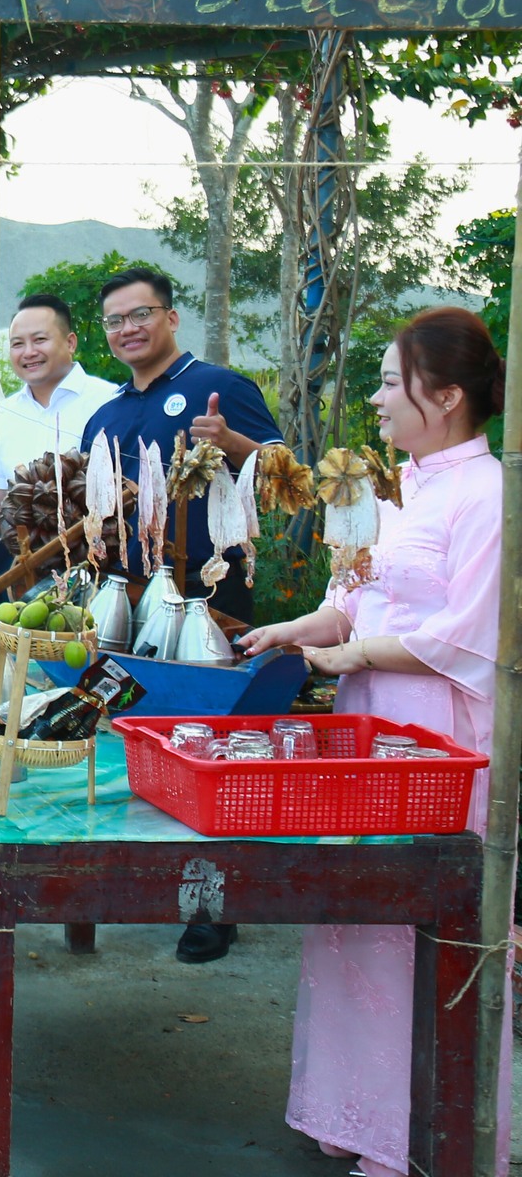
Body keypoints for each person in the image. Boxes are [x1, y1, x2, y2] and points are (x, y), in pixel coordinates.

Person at [240, 308, 510, 1177]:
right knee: (356, 912)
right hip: (367, 729)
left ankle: (425, 1133)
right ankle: (354, 1111)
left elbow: (471, 637)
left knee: (424, 922)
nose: (379, 397)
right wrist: (294, 630)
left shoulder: (489, 494)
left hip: (436, 740)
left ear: (448, 395)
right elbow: (352, 599)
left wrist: (352, 653)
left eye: (393, 381)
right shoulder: (397, 489)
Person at [78, 266, 282, 622]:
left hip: (207, 592)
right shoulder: (104, 417)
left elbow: (286, 473)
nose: (128, 328)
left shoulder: (222, 387)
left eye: (141, 314)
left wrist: (230, 441)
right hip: (119, 596)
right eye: (114, 321)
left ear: (171, 319)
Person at [0, 293, 116, 506]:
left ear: (70, 343)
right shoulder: (1, 414)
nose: (29, 352)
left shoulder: (109, 401)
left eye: (39, 340)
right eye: (18, 344)